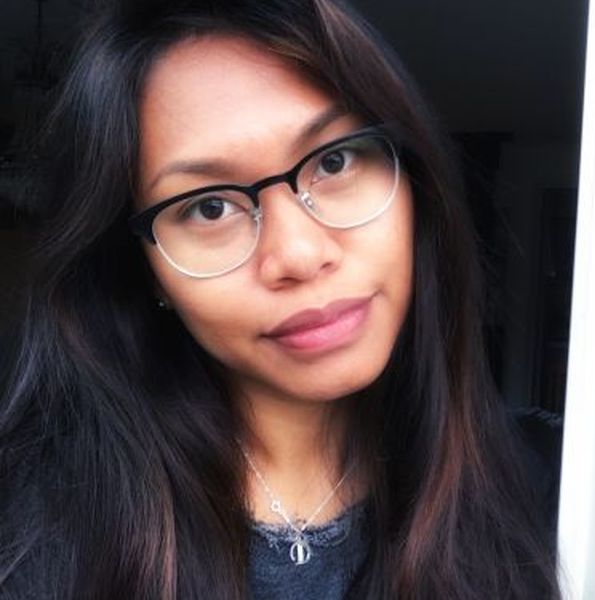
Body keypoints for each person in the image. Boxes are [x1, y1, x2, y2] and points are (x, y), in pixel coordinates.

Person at [0, 0, 561, 598]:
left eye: (335, 161)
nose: (298, 254)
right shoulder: (35, 529)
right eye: (209, 207)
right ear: (147, 271)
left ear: (414, 186)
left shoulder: (546, 481)